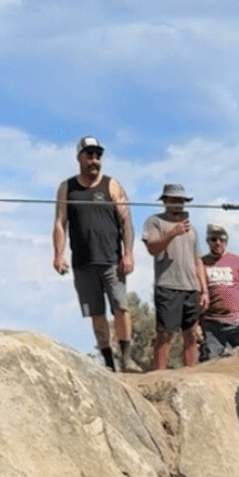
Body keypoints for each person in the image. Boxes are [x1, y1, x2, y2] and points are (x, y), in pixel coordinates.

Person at [53, 136, 135, 371]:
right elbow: (60, 222)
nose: (94, 160)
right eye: (89, 155)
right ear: (79, 158)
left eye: (98, 155)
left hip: (111, 259)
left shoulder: (111, 185)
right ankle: (109, 363)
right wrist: (58, 255)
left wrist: (128, 253)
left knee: (121, 307)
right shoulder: (67, 187)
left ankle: (126, 358)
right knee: (96, 315)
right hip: (83, 262)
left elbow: (126, 220)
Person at [142, 184, 209, 370]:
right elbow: (152, 248)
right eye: (173, 200)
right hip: (168, 284)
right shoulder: (154, 222)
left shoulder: (192, 229)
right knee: (165, 334)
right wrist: (172, 233)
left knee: (191, 334)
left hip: (191, 287)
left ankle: (191, 373)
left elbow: (198, 261)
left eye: (181, 200)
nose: (178, 204)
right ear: (165, 201)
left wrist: (204, 290)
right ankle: (159, 375)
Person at [199, 224, 239, 360]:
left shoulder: (236, 261)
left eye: (222, 239)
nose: (218, 243)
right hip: (211, 324)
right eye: (214, 239)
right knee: (210, 361)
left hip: (236, 322)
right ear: (208, 241)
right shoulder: (202, 263)